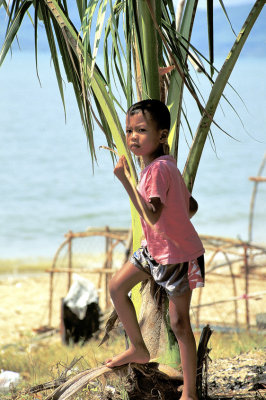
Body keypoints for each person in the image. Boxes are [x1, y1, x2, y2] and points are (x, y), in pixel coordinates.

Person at [106, 99, 205, 400]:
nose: (133, 136)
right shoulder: (165, 164)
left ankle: (189, 393)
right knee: (116, 287)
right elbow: (191, 207)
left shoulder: (156, 171)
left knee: (180, 324)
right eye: (129, 130)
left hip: (177, 257)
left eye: (141, 130)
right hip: (154, 251)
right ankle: (138, 347)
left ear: (162, 135)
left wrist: (126, 181)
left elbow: (150, 215)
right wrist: (173, 218)